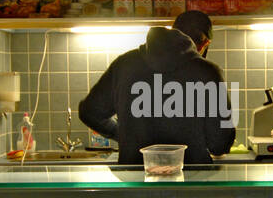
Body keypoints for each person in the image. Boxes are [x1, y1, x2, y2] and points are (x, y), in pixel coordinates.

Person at [79, 11, 236, 165]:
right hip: (191, 183)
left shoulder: (125, 64)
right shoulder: (208, 72)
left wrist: (124, 134)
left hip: (136, 182)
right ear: (204, 44)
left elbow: (90, 112)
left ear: (174, 30)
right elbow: (220, 144)